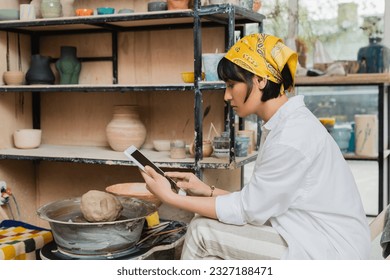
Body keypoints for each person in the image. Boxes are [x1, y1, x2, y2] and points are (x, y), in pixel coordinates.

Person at [140, 33, 371, 259]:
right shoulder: (283, 124)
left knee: (203, 231)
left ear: (260, 79)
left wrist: (170, 198)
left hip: (330, 251)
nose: (226, 96)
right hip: (309, 233)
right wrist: (208, 190)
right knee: (207, 230)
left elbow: (247, 210)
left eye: (231, 85)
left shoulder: (290, 137)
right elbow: (261, 202)